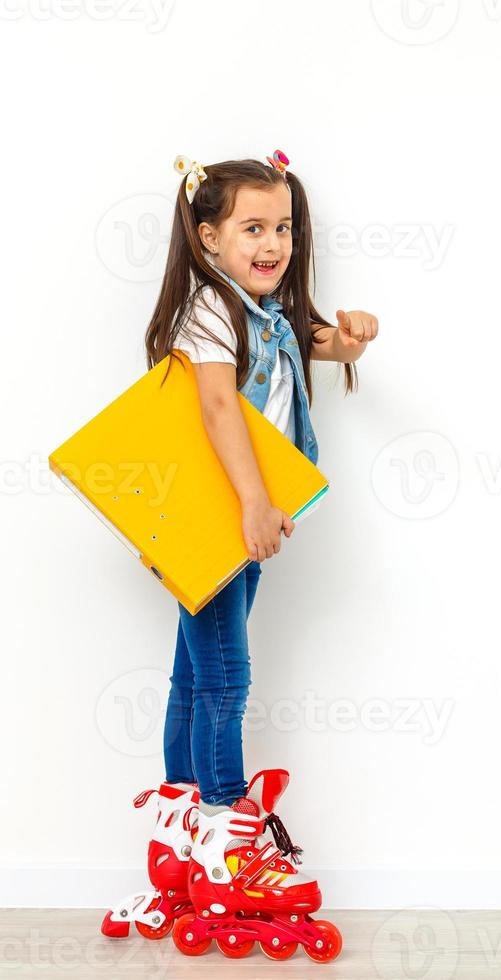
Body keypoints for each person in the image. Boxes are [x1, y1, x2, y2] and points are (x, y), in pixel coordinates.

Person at [145, 150, 379, 815]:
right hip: (215, 513)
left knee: (195, 674)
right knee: (224, 675)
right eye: (254, 227)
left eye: (283, 226)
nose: (274, 242)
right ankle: (223, 819)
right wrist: (253, 502)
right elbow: (219, 406)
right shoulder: (212, 311)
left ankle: (179, 819)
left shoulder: (269, 315)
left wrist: (357, 335)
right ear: (209, 237)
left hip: (242, 518)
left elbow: (331, 343)